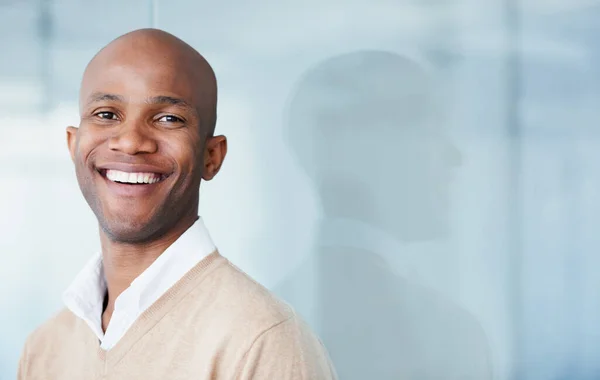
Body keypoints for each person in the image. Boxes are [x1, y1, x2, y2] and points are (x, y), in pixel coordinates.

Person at [17, 28, 337, 380]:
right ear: (72, 145)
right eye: (107, 114)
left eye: (169, 118)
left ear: (211, 157)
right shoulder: (45, 349)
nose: (131, 142)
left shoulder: (262, 340)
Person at [275, 50, 492, 379]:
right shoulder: (442, 335)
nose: (455, 155)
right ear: (360, 147)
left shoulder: (263, 316)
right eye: (432, 129)